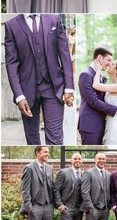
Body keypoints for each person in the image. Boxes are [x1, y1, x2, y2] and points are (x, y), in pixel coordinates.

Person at [5, 14, 74, 145]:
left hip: (54, 88)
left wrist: (69, 87)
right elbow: (11, 63)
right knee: (32, 140)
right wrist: (19, 96)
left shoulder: (54, 19)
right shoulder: (11, 25)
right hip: (26, 91)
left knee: (55, 139)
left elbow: (64, 54)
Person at [78, 47, 117, 145]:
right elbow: (92, 101)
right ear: (99, 58)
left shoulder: (98, 76)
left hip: (102, 123)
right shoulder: (86, 74)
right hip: (90, 125)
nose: (109, 63)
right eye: (108, 60)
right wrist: (115, 109)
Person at [20, 146, 54, 220]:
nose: (47, 154)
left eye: (48, 152)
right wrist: (29, 207)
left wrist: (53, 205)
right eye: (45, 152)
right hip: (35, 206)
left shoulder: (49, 168)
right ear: (37, 153)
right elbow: (24, 189)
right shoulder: (29, 168)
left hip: (48, 206)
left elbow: (52, 187)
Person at [54, 153, 84, 220]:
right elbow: (56, 190)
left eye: (79, 159)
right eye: (75, 159)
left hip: (79, 209)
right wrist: (60, 205)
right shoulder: (63, 172)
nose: (77, 160)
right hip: (67, 208)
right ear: (71, 161)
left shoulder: (84, 174)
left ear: (82, 161)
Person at [81, 152, 111, 220]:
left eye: (103, 159)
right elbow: (84, 191)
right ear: (95, 160)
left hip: (105, 209)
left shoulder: (108, 174)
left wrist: (108, 206)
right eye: (99, 159)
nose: (101, 160)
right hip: (93, 209)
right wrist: (90, 207)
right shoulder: (88, 173)